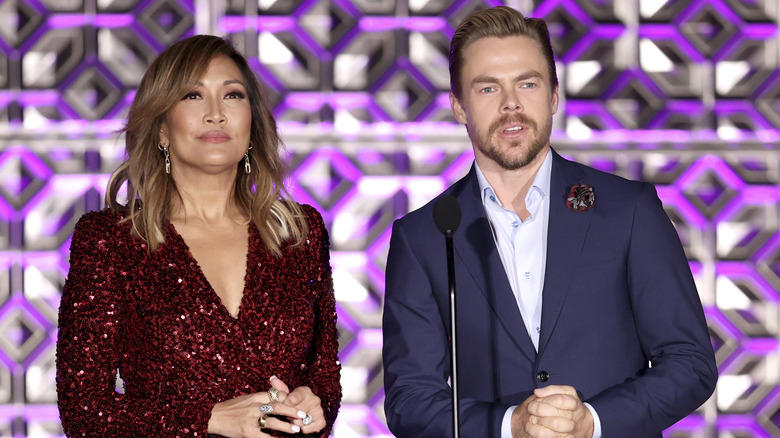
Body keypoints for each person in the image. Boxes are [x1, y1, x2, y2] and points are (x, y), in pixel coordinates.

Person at [382, 6, 717, 438]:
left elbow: (690, 363)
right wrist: (510, 425)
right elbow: (410, 399)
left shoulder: (628, 210)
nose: (511, 105)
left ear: (554, 96)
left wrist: (592, 422)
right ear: (459, 107)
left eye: (528, 83)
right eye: (487, 89)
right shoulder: (422, 236)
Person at [56, 35, 341, 437]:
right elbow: (84, 410)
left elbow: (325, 374)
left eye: (233, 96)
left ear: (252, 123)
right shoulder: (110, 240)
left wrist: (316, 401)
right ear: (161, 130)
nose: (215, 114)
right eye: (192, 95)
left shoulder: (299, 231)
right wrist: (205, 419)